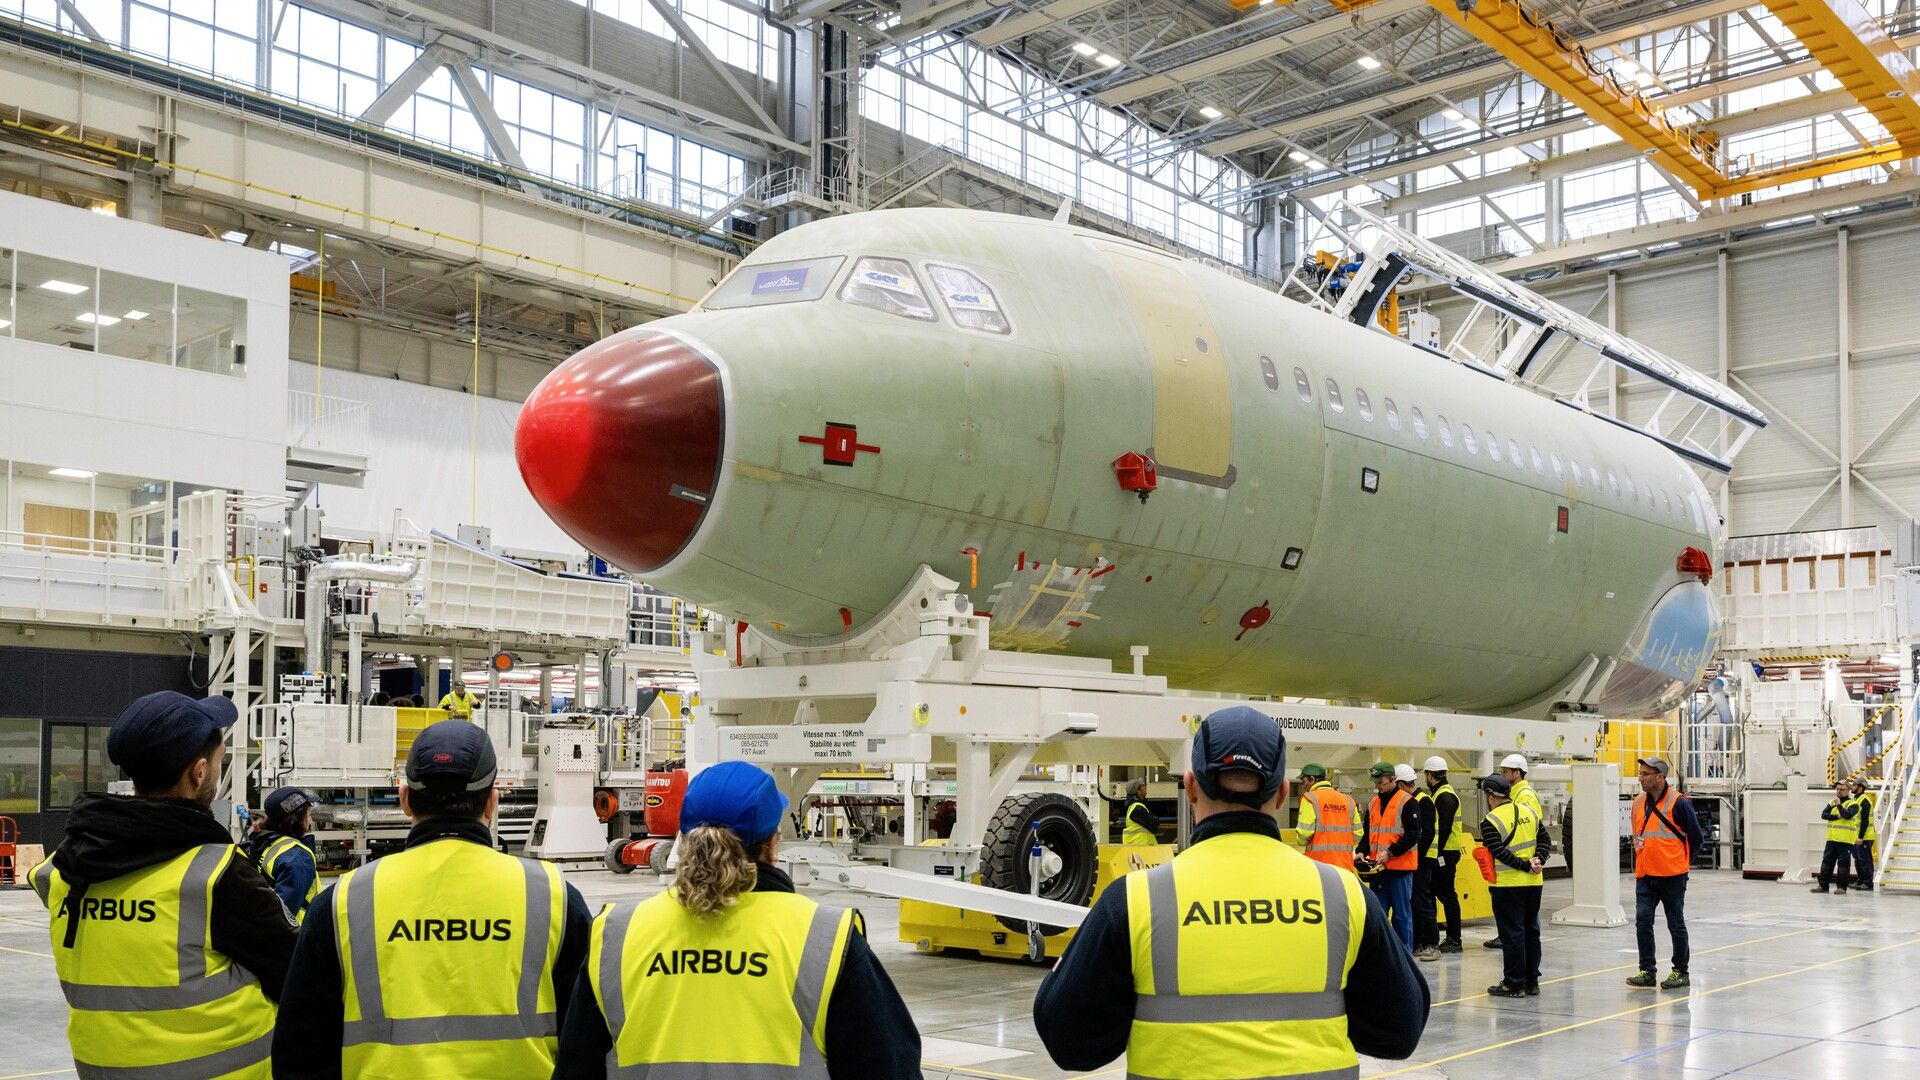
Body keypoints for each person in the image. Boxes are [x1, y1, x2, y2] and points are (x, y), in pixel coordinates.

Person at [1033, 707, 1428, 1076]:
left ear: (1190, 788)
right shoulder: (1345, 896)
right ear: (1282, 794)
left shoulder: (1136, 900)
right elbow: (1399, 1032)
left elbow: (1069, 1041)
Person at [554, 761, 923, 1078]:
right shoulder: (823, 940)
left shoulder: (619, 936)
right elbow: (890, 1067)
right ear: (773, 845)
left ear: (683, 839)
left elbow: (577, 1067)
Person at [272, 720, 594, 1078]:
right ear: (492, 802)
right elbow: (588, 1048)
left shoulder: (343, 903)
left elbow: (299, 1054)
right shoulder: (554, 898)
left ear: (405, 799)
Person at [26, 691, 296, 1078]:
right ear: (199, 772)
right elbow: (298, 975)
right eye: (220, 762)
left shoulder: (65, 869)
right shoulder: (216, 875)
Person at [1624, 757, 1704, 990]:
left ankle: (1680, 971)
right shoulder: (1638, 802)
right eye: (1640, 773)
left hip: (1672, 877)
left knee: (1675, 924)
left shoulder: (1679, 803)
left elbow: (1696, 838)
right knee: (1642, 921)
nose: (1641, 778)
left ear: (1660, 777)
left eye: (1646, 774)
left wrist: (1681, 863)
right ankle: (1647, 970)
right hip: (1645, 875)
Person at [1479, 774, 1549, 997]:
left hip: (1507, 885)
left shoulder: (1490, 821)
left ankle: (1513, 983)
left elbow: (1498, 851)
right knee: (1531, 932)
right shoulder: (1528, 812)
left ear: (1490, 797)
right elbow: (1545, 839)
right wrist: (1538, 860)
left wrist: (1523, 865)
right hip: (1534, 883)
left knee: (1512, 935)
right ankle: (1531, 982)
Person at [1358, 760, 1421, 952]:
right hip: (1378, 869)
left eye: (1381, 782)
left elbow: (1413, 834)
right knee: (1378, 914)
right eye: (1375, 782)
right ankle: (1380, 955)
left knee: (1401, 915)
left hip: (1400, 868)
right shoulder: (1373, 803)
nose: (1377, 785)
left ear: (1393, 779)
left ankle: (1404, 956)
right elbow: (1368, 834)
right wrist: (1361, 851)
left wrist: (1391, 852)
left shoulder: (1407, 802)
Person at [1484, 753, 1544, 951]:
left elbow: (1527, 831)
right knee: (1524, 929)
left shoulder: (1525, 795)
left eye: (1506, 771)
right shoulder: (1516, 793)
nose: (1503, 774)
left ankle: (1516, 978)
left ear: (1517, 773)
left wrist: (1531, 862)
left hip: (1520, 874)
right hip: (1525, 873)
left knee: (1524, 929)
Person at [246, 786, 321, 923]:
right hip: (295, 936)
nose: (310, 822)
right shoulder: (297, 856)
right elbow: (284, 914)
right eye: (309, 815)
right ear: (296, 818)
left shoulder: (264, 843)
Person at [1423, 756, 1468, 954]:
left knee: (1447, 894)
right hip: (1443, 852)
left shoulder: (1445, 796)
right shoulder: (1439, 794)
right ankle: (1440, 936)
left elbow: (1444, 829)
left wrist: (1434, 853)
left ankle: (1454, 939)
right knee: (1437, 893)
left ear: (1430, 775)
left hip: (1445, 854)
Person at [1400, 763, 1441, 962]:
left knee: (1423, 903)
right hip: (1412, 861)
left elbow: (1427, 833)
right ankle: (1418, 943)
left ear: (1400, 784)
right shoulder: (1410, 800)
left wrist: (1417, 857)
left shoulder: (1423, 801)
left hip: (1423, 861)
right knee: (1414, 903)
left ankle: (1433, 944)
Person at [1293, 762, 1357, 872]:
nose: (1303, 786)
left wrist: (1301, 841)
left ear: (1312, 779)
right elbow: (1358, 834)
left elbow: (1304, 833)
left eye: (1304, 782)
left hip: (1320, 866)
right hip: (1345, 865)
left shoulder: (1309, 799)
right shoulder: (1348, 800)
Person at [1812, 781, 1861, 894]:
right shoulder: (1831, 802)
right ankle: (1823, 886)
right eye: (1838, 789)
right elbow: (1824, 815)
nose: (1839, 791)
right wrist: (1836, 816)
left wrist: (1839, 805)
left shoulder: (1853, 804)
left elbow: (1847, 815)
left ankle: (1842, 887)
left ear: (1848, 790)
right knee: (1827, 862)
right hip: (1832, 839)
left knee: (1843, 864)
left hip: (1845, 840)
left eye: (1842, 789)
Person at [1851, 779, 1877, 891]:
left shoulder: (1864, 801)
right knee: (1858, 859)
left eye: (1854, 785)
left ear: (1860, 787)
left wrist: (1861, 837)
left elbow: (1865, 821)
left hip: (1865, 836)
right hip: (1856, 836)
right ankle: (1861, 880)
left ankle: (1868, 882)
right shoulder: (1856, 799)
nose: (1852, 787)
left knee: (1865, 860)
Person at [1120, 777, 1162, 845]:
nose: (1145, 786)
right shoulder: (1137, 808)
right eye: (1142, 786)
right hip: (1141, 847)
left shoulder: (1134, 806)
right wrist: (1155, 818)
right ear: (1138, 791)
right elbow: (1154, 824)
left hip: (1139, 846)